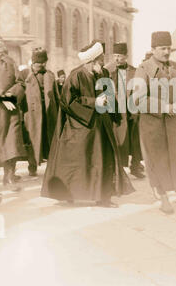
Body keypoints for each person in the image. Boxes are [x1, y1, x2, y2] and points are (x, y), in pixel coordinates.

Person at [41, 41, 135, 207]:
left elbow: (110, 95)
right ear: (91, 61)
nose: (102, 62)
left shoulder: (103, 73)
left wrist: (115, 115)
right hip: (81, 127)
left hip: (102, 126)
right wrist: (94, 102)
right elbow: (68, 102)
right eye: (100, 59)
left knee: (104, 161)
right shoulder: (75, 76)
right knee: (76, 163)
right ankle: (67, 192)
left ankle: (104, 197)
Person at [135, 31, 176, 214]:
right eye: (163, 48)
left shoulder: (174, 67)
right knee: (157, 160)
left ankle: (163, 190)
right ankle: (163, 197)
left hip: (173, 124)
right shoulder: (143, 69)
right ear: (153, 49)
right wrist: (164, 106)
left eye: (169, 48)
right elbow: (138, 99)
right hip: (153, 124)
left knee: (173, 160)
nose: (167, 51)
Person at [105, 42, 145, 179]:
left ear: (126, 57)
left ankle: (135, 166)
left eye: (120, 56)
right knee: (117, 140)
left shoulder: (134, 72)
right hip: (115, 112)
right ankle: (118, 169)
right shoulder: (107, 71)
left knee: (135, 140)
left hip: (131, 111)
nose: (117, 59)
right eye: (115, 56)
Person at [18, 48, 59, 177]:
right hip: (31, 114)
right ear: (33, 62)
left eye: (44, 62)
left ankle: (51, 167)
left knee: (49, 138)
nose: (42, 65)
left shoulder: (50, 75)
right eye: (39, 63)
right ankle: (32, 166)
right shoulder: (25, 75)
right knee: (32, 139)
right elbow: (18, 92)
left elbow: (57, 96)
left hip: (48, 113)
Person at [0, 40, 26, 191]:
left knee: (12, 143)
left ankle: (9, 176)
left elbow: (21, 83)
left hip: (9, 109)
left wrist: (10, 95)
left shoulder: (10, 63)